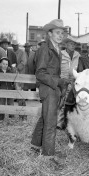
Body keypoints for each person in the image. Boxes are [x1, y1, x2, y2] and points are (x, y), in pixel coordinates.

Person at [30, 19, 70, 165]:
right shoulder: (45, 49)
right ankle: (48, 156)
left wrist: (60, 83)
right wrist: (58, 81)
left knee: (44, 118)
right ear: (49, 34)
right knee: (51, 121)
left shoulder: (56, 49)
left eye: (62, 33)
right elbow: (40, 73)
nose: (61, 36)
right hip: (48, 89)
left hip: (53, 89)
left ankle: (35, 146)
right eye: (57, 33)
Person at [57, 35, 80, 130]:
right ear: (66, 45)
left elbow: (79, 68)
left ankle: (64, 123)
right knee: (60, 101)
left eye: (74, 44)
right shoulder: (60, 54)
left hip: (73, 82)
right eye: (71, 44)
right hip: (62, 81)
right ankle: (57, 121)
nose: (73, 45)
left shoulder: (77, 55)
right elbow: (56, 68)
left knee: (70, 102)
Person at [11, 40, 27, 120]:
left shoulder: (22, 52)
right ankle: (12, 113)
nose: (15, 46)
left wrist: (17, 68)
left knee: (20, 94)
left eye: (16, 45)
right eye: (13, 45)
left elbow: (24, 62)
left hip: (20, 75)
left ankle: (23, 114)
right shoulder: (10, 52)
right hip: (12, 75)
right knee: (12, 94)